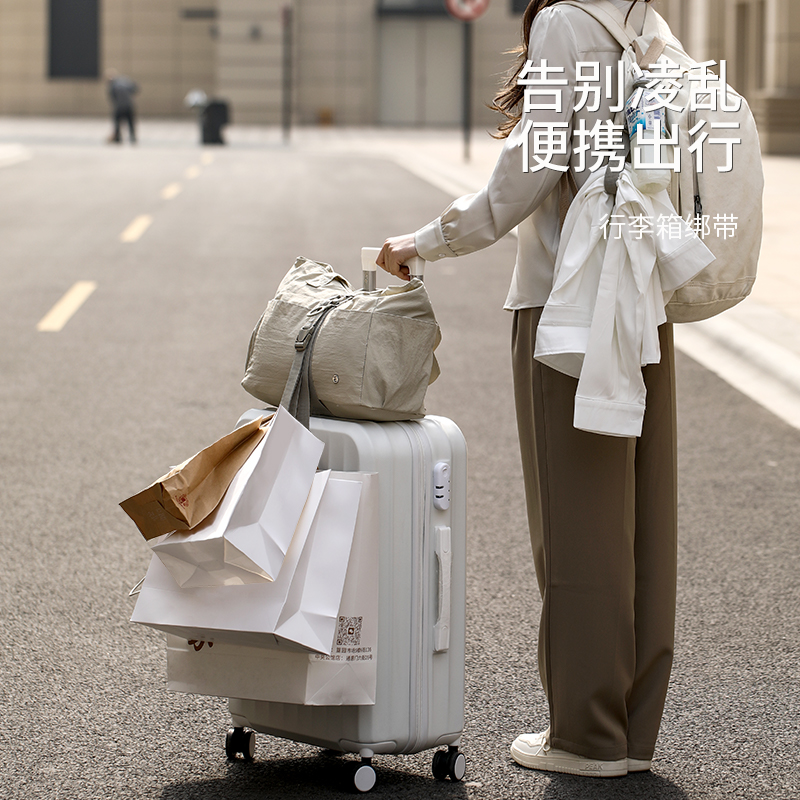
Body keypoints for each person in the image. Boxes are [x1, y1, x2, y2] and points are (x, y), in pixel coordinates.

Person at [378, 0, 676, 779]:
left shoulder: (563, 26)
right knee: (639, 523)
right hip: (644, 295)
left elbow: (528, 174)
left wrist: (427, 241)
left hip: (568, 306)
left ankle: (585, 736)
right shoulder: (642, 18)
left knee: (575, 526)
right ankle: (629, 732)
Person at [106, 69, 139, 144]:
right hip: (129, 105)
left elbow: (112, 97)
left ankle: (118, 138)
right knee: (130, 122)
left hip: (119, 106)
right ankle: (133, 137)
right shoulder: (126, 82)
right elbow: (135, 89)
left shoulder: (113, 85)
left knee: (117, 122)